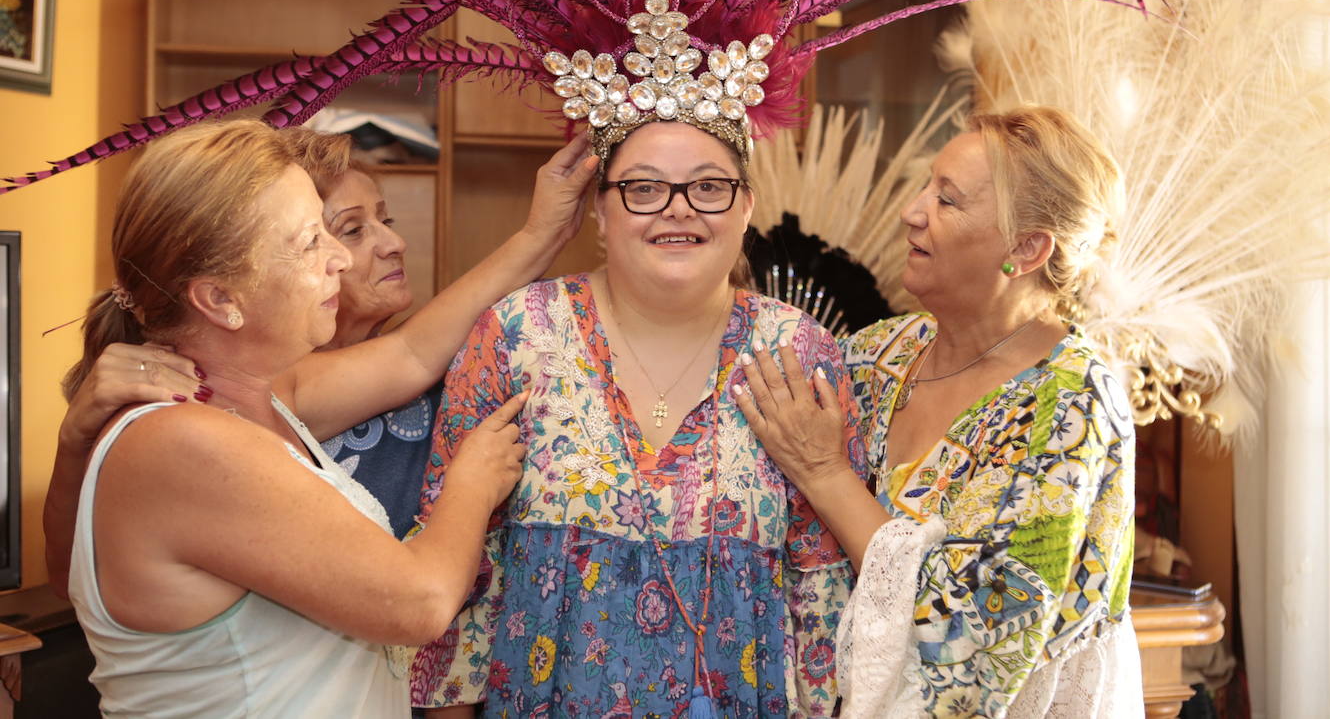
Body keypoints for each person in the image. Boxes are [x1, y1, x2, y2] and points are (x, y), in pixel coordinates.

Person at [55, 119, 595, 717]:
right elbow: (420, 602)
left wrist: (543, 231)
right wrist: (472, 482)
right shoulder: (183, 440)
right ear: (221, 301)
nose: (341, 259)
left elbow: (411, 352)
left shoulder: (261, 393)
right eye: (312, 240)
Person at [410, 114, 868, 717]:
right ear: (600, 210)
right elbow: (462, 562)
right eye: (644, 189)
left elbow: (823, 585)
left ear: (747, 205)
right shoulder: (519, 333)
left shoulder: (797, 351)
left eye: (708, 187)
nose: (678, 210)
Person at [736, 106, 1141, 718]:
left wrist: (826, 474)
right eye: (927, 184)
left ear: (1028, 247)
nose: (912, 211)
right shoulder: (879, 353)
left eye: (947, 200)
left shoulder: (1071, 406)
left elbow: (970, 651)